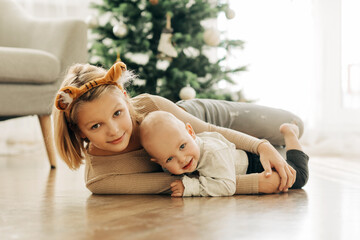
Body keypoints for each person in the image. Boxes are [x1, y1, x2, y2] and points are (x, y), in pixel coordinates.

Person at [53, 61, 302, 195]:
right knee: (283, 161)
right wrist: (254, 183)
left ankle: (279, 140)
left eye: (118, 113)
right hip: (205, 158)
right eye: (96, 125)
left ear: (126, 99)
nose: (114, 130)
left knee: (293, 124)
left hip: (200, 121)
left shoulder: (150, 104)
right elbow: (184, 181)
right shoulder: (102, 179)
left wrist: (261, 145)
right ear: (80, 132)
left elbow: (207, 129)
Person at [139, 111, 309, 197]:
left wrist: (191, 187)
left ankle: (290, 134)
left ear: (190, 132)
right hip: (239, 157)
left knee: (298, 177)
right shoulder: (175, 156)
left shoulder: (212, 153)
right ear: (159, 162)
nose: (182, 159)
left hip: (254, 164)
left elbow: (228, 186)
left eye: (182, 146)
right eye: (169, 159)